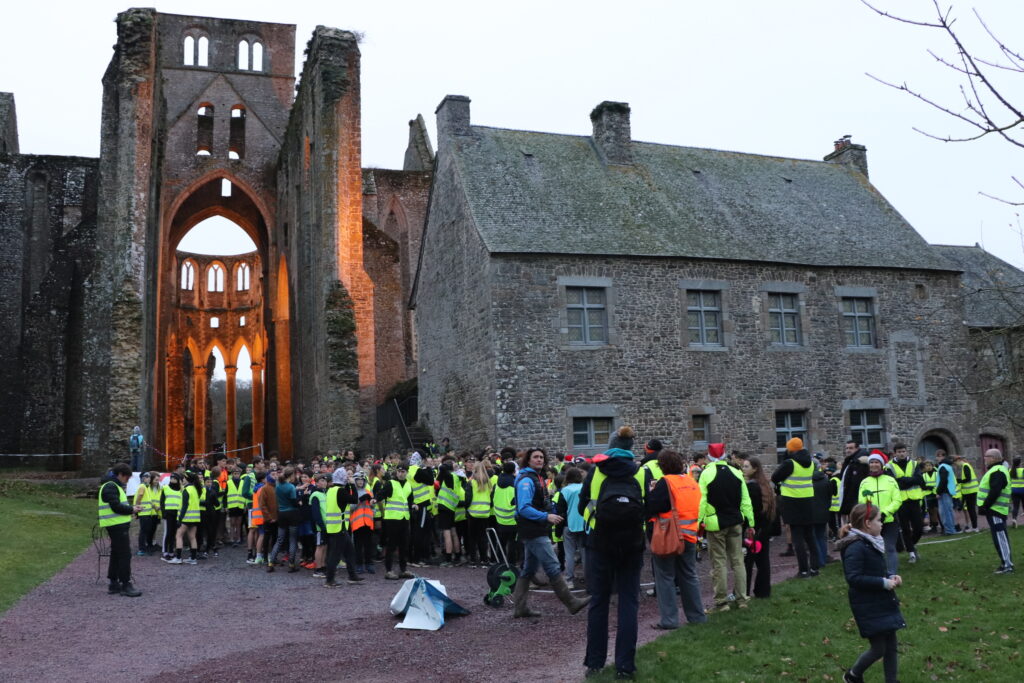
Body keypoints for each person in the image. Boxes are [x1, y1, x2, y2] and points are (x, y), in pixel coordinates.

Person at [578, 427, 642, 679]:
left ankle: (595, 662)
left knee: (599, 602)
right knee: (629, 603)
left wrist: (595, 518)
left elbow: (583, 505)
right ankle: (625, 666)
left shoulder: (596, 471)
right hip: (632, 543)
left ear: (611, 446)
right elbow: (647, 506)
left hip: (600, 542)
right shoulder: (640, 472)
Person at [514, 447, 588, 619]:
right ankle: (571, 602)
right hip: (533, 529)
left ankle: (520, 608)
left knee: (528, 569)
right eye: (535, 457)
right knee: (552, 565)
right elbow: (523, 508)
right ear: (528, 460)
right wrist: (546, 516)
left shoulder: (535, 477)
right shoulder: (527, 480)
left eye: (541, 457)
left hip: (534, 528)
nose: (539, 459)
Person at [837, 503, 905, 683]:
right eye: (879, 520)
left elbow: (875, 570)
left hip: (882, 601)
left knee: (891, 646)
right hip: (868, 605)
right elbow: (854, 577)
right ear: (868, 523)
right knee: (878, 648)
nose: (882, 524)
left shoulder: (870, 542)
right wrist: (883, 583)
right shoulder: (856, 547)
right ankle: (853, 675)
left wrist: (890, 576)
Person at [645, 449, 705, 630]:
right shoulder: (691, 481)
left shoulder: (666, 482)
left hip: (669, 535)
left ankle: (669, 620)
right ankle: (697, 616)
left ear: (662, 466)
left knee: (665, 577)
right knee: (689, 575)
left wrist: (651, 492)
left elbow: (652, 506)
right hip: (690, 534)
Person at [699, 442, 754, 612]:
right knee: (738, 561)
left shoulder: (706, 473)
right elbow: (745, 500)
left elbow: (701, 501)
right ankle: (742, 598)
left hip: (716, 524)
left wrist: (698, 522)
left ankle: (722, 602)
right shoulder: (736, 472)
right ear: (725, 455)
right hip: (736, 522)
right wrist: (751, 522)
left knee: (719, 563)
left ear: (709, 457)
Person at [772, 438, 819, 578]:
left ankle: (803, 570)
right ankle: (814, 569)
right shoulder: (810, 463)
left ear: (790, 449)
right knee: (810, 537)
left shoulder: (790, 463)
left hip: (792, 503)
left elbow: (775, 477)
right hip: (808, 502)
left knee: (797, 538)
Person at [99, 463, 143, 596]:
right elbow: (116, 507)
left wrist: (131, 509)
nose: (127, 481)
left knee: (116, 553)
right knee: (124, 554)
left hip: (116, 524)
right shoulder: (111, 486)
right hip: (116, 525)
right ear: (120, 474)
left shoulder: (112, 485)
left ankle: (114, 583)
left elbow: (116, 505)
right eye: (126, 477)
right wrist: (132, 509)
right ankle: (125, 584)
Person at [857, 453, 901, 575]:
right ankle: (877, 573)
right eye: (871, 462)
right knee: (873, 549)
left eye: (876, 462)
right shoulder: (864, 482)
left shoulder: (890, 480)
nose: (874, 464)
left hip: (889, 520)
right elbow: (862, 501)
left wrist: (885, 513)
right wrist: (871, 515)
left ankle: (892, 574)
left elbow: (897, 500)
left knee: (890, 548)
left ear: (881, 465)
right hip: (872, 522)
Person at [323, 468, 365, 587]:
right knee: (335, 556)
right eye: (346, 476)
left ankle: (352, 576)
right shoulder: (340, 491)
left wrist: (348, 485)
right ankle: (329, 580)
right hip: (339, 528)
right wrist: (353, 485)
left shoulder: (331, 490)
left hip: (335, 527)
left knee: (350, 552)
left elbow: (345, 497)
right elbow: (354, 499)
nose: (348, 478)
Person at [742, 456, 776, 598]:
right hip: (764, 528)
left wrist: (748, 527)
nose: (743, 469)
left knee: (748, 562)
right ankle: (763, 591)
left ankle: (744, 592)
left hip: (754, 529)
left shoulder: (752, 486)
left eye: (746, 466)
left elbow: (753, 509)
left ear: (755, 469)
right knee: (762, 561)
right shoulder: (764, 484)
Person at [886, 442, 925, 563]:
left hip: (914, 499)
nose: (901, 454)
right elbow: (894, 483)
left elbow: (919, 480)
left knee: (919, 527)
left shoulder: (914, 464)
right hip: (900, 501)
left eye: (903, 451)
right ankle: (911, 553)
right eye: (899, 452)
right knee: (905, 528)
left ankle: (910, 545)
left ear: (906, 451)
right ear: (895, 453)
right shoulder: (889, 466)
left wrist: (903, 479)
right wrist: (910, 480)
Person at [978, 448, 1014, 574]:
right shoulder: (997, 470)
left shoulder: (997, 471)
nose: (984, 459)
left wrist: (985, 506)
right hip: (995, 509)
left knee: (1000, 538)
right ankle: (1005, 563)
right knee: (999, 537)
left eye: (986, 456)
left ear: (993, 458)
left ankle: (1007, 566)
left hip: (995, 510)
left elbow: (995, 491)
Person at [379, 463, 415, 580]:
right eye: (399, 471)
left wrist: (413, 505)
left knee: (404, 545)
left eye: (403, 472)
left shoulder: (408, 485)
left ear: (407, 473)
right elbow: (382, 494)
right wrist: (375, 499)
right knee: (391, 545)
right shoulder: (391, 483)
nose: (400, 474)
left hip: (404, 518)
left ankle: (403, 570)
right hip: (392, 519)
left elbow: (410, 500)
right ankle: (389, 570)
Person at [558, 466, 586, 589]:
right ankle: (588, 578)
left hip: (568, 525)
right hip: (584, 524)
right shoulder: (585, 488)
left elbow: (560, 511)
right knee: (585, 553)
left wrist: (558, 531)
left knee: (569, 554)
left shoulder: (564, 490)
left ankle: (569, 579)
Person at [839, 440, 871, 519]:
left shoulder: (860, 462)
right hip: (851, 499)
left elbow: (857, 483)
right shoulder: (850, 461)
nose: (848, 450)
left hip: (857, 499)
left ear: (857, 448)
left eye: (851, 448)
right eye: (847, 448)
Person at [134, 471, 161, 555]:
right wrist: (137, 508)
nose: (149, 478)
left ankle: (146, 547)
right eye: (147, 477)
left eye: (149, 477)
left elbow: (149, 501)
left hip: (147, 513)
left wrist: (155, 507)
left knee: (146, 531)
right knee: (143, 531)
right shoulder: (142, 486)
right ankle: (141, 549)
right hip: (143, 513)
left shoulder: (147, 487)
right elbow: (139, 496)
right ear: (143, 478)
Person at [955, 454, 981, 533]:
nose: (956, 465)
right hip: (970, 491)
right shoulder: (966, 466)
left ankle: (975, 527)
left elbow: (968, 478)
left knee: (971, 510)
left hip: (970, 491)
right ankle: (974, 526)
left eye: (956, 463)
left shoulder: (965, 466)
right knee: (971, 510)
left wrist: (959, 480)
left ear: (959, 460)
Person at [935, 452, 959, 535]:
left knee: (945, 512)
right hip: (948, 491)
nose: (937, 458)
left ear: (943, 456)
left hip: (944, 492)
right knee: (949, 511)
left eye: (938, 456)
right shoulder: (948, 466)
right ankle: (951, 529)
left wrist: (938, 492)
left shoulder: (943, 466)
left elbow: (943, 481)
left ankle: (949, 530)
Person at [1011, 456, 1024, 529]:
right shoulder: (1022, 470)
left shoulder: (1010, 470)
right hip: (1022, 490)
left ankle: (1014, 519)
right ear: (1020, 463)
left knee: (1015, 506)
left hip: (1014, 490)